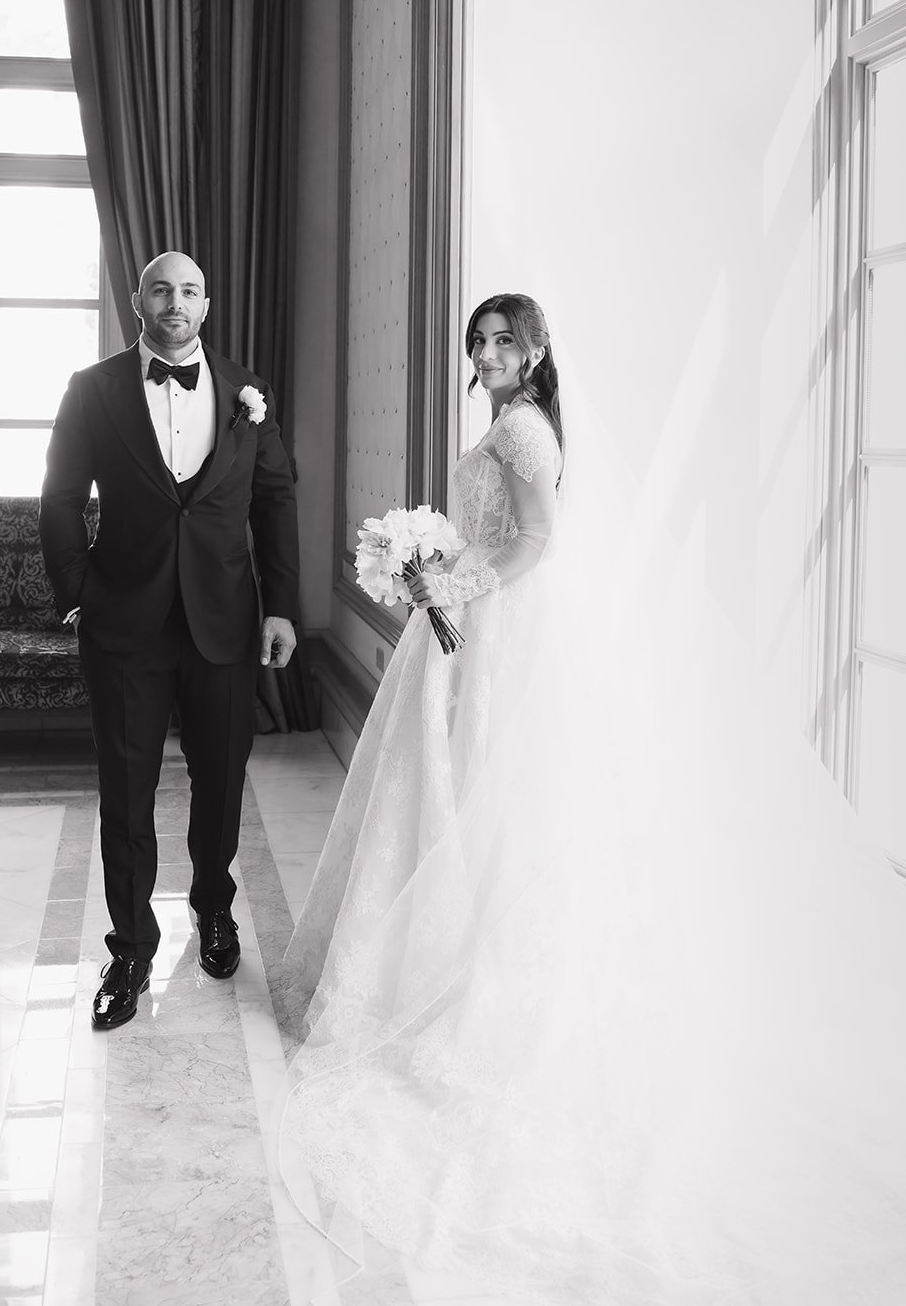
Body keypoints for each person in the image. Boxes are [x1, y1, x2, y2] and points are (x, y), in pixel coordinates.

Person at [277, 293, 906, 1305]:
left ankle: (468, 974)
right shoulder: (506, 422)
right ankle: (428, 944)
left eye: (503, 340)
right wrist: (432, 571)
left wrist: (455, 586)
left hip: (496, 628)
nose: (486, 352)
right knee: (449, 797)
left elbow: (540, 544)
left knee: (485, 802)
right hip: (468, 625)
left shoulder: (524, 430)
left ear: (533, 354)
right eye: (479, 339)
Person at [40, 250, 299, 1030]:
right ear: (138, 300)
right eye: (161, 289)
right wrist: (78, 594)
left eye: (188, 290)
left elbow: (275, 497)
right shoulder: (93, 390)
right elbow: (58, 495)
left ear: (207, 304)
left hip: (224, 620)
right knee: (125, 792)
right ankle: (129, 950)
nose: (174, 301)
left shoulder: (247, 391)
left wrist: (281, 606)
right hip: (124, 624)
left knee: (221, 783)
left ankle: (214, 914)